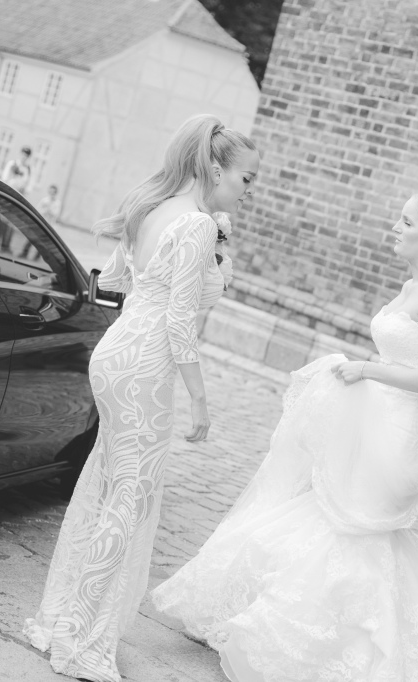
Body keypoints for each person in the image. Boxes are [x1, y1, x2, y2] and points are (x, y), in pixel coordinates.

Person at [151, 191, 418, 682]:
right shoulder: (413, 285)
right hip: (376, 416)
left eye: (406, 221)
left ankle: (342, 650)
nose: (395, 227)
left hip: (398, 429)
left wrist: (366, 369)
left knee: (356, 526)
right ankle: (296, 630)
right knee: (333, 515)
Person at [23, 115, 259, 682]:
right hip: (147, 366)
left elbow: (115, 281)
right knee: (128, 500)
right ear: (215, 169)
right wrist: (199, 399)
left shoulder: (151, 206)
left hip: (115, 355)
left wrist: (204, 263)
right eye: (247, 178)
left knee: (105, 486)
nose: (249, 190)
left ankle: (63, 619)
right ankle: (79, 639)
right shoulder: (196, 225)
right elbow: (179, 323)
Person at [0, 145, 30, 252]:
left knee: (10, 222)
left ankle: (5, 245)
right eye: (23, 154)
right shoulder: (12, 164)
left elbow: (28, 185)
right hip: (7, 195)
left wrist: (24, 189)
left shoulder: (28, 169)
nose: (24, 157)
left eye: (26, 156)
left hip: (17, 198)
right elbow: (5, 179)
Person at [20, 184, 61, 260]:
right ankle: (24, 253)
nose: (51, 193)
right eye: (50, 191)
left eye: (53, 192)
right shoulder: (44, 200)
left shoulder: (57, 203)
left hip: (48, 225)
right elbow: (38, 210)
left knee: (42, 242)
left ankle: (37, 257)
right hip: (40, 222)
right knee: (32, 238)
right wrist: (45, 210)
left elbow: (56, 214)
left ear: (55, 193)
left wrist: (49, 210)